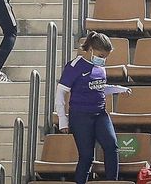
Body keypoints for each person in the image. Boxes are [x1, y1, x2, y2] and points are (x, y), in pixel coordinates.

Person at [54, 31, 129, 184]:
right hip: (80, 116)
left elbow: (98, 88)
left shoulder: (100, 67)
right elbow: (61, 93)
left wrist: (118, 89)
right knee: (87, 156)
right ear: (90, 49)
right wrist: (62, 120)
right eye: (101, 56)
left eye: (105, 57)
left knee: (111, 146)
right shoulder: (74, 66)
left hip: (100, 113)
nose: (103, 59)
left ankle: (112, 182)